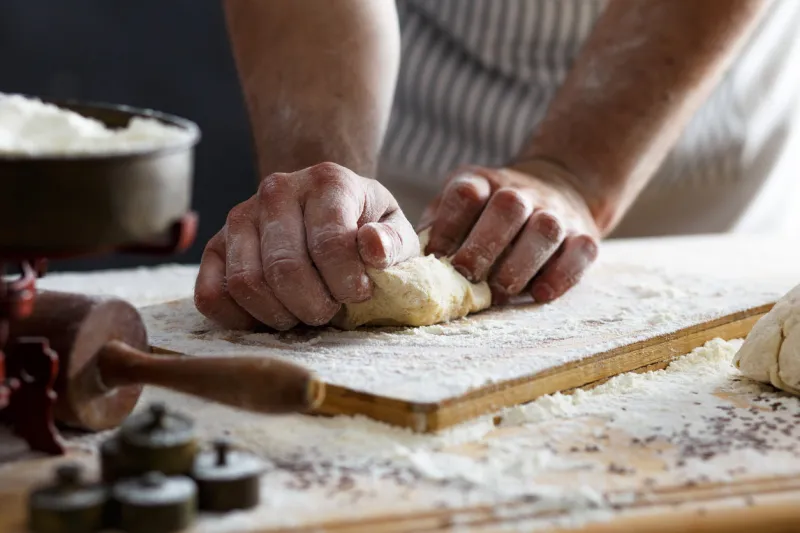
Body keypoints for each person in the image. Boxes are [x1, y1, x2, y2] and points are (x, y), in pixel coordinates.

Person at [194, 0, 800, 331]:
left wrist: (574, 173)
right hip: (413, 139)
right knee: (356, 273)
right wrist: (320, 191)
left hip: (697, 170)